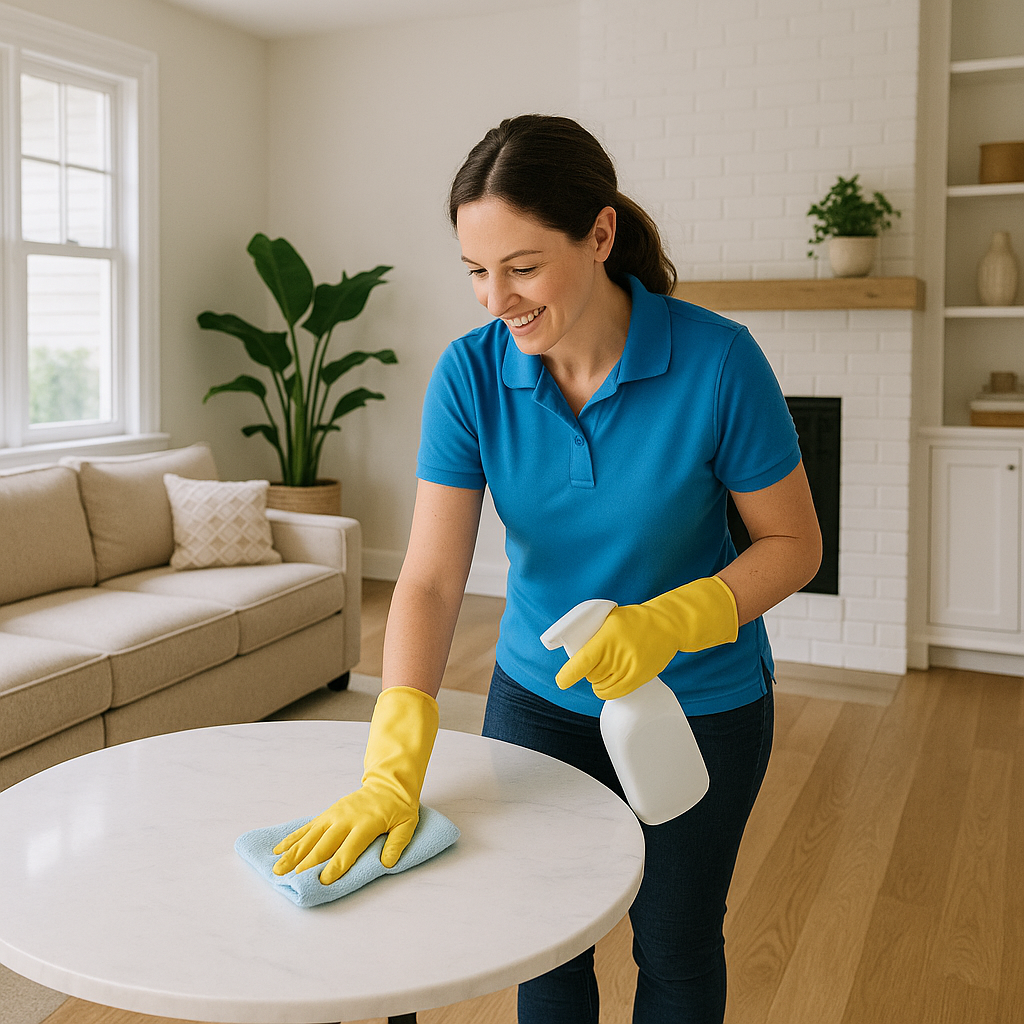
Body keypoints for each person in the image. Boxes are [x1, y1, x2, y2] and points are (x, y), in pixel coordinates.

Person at [272, 114, 822, 1024]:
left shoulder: (719, 361)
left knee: (675, 942)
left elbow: (794, 546)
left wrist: (668, 623)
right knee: (545, 937)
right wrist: (394, 752)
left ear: (600, 235)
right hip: (537, 696)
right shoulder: (470, 375)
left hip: (699, 706)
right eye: (476, 273)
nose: (496, 300)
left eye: (522, 267)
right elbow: (432, 580)